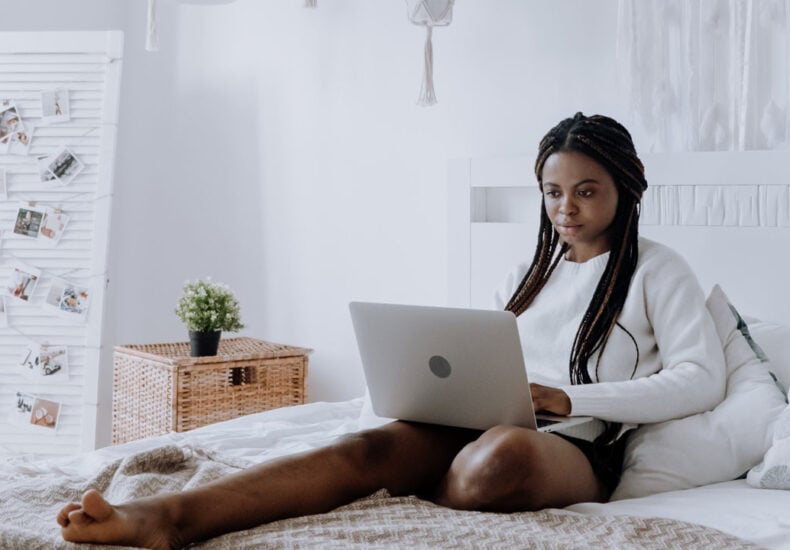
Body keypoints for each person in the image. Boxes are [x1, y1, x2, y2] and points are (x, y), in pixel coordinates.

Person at [57, 113, 725, 549]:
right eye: (553, 192)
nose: (566, 208)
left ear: (627, 189)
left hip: (574, 444)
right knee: (363, 449)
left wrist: (569, 400)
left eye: (587, 190)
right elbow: (477, 352)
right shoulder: (528, 270)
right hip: (480, 424)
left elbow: (701, 379)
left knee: (504, 459)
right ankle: (167, 518)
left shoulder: (658, 271)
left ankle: (417, 484)